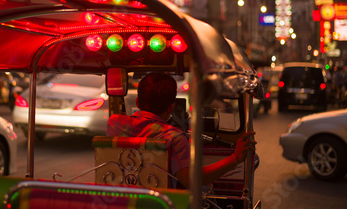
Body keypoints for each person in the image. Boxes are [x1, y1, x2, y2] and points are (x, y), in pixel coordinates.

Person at [107, 73, 257, 190]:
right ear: (171, 108)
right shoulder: (174, 138)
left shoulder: (113, 123)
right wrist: (235, 158)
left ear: (138, 102)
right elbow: (192, 181)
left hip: (121, 199)